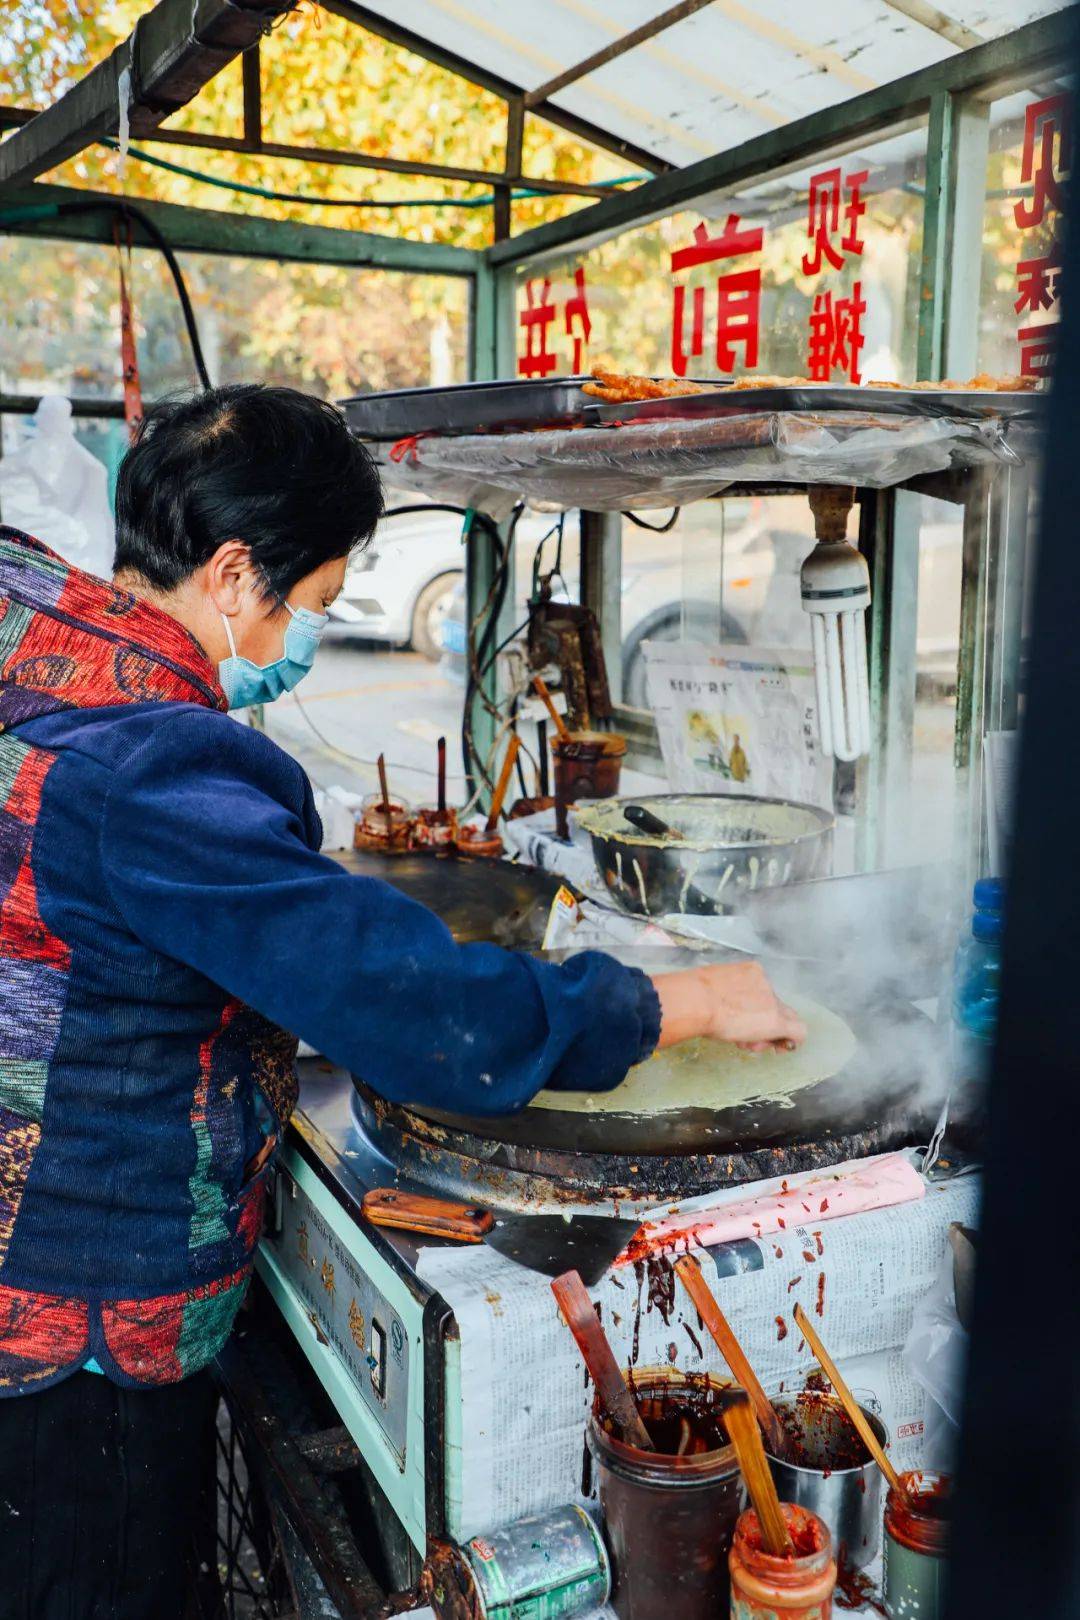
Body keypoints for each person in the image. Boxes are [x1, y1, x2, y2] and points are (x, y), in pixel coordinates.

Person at [0, 385, 804, 1620]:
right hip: (82, 1319)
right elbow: (414, 1007)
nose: (302, 640)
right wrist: (678, 1002)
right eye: (312, 605)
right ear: (231, 573)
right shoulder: (154, 758)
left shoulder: (37, 626)